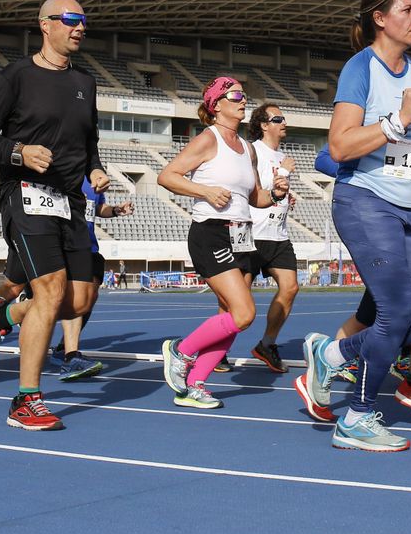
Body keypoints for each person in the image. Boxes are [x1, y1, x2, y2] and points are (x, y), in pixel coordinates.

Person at [294, 0, 411, 451]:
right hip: (365, 202)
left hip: (410, 207)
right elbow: (340, 145)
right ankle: (357, 417)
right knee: (395, 314)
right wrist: (401, 119)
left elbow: (406, 155)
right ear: (380, 18)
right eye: (408, 9)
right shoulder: (360, 68)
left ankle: (331, 354)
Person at [0, 0, 108, 432]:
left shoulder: (86, 82)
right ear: (45, 25)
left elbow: (89, 143)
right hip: (25, 194)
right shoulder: (17, 76)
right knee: (49, 291)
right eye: (70, 20)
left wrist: (96, 169)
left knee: (79, 300)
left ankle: (1, 316)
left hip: (70, 202)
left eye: (83, 20)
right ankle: (26, 399)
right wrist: (19, 152)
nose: (80, 27)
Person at [158, 77, 291, 408]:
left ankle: (195, 385)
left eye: (244, 95)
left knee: (234, 314)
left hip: (242, 234)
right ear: (216, 105)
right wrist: (205, 191)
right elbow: (167, 176)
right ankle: (181, 350)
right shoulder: (208, 139)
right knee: (244, 313)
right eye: (235, 95)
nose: (243, 100)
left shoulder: (247, 149)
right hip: (212, 231)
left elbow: (255, 197)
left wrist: (275, 193)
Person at [239, 102, 302, 373]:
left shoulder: (281, 155)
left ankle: (267, 344)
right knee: (237, 301)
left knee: (290, 287)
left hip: (278, 234)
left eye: (283, 118)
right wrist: (284, 175)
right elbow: (251, 188)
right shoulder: (252, 150)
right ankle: (214, 350)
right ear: (264, 125)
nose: (283, 123)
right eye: (278, 119)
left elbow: (276, 189)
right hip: (252, 233)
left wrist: (288, 196)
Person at [53, 177, 133, 380]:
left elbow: (98, 208)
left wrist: (115, 210)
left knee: (89, 298)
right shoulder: (64, 170)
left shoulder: (94, 177)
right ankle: (70, 354)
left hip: (89, 245)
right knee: (69, 298)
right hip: (64, 243)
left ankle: (65, 348)